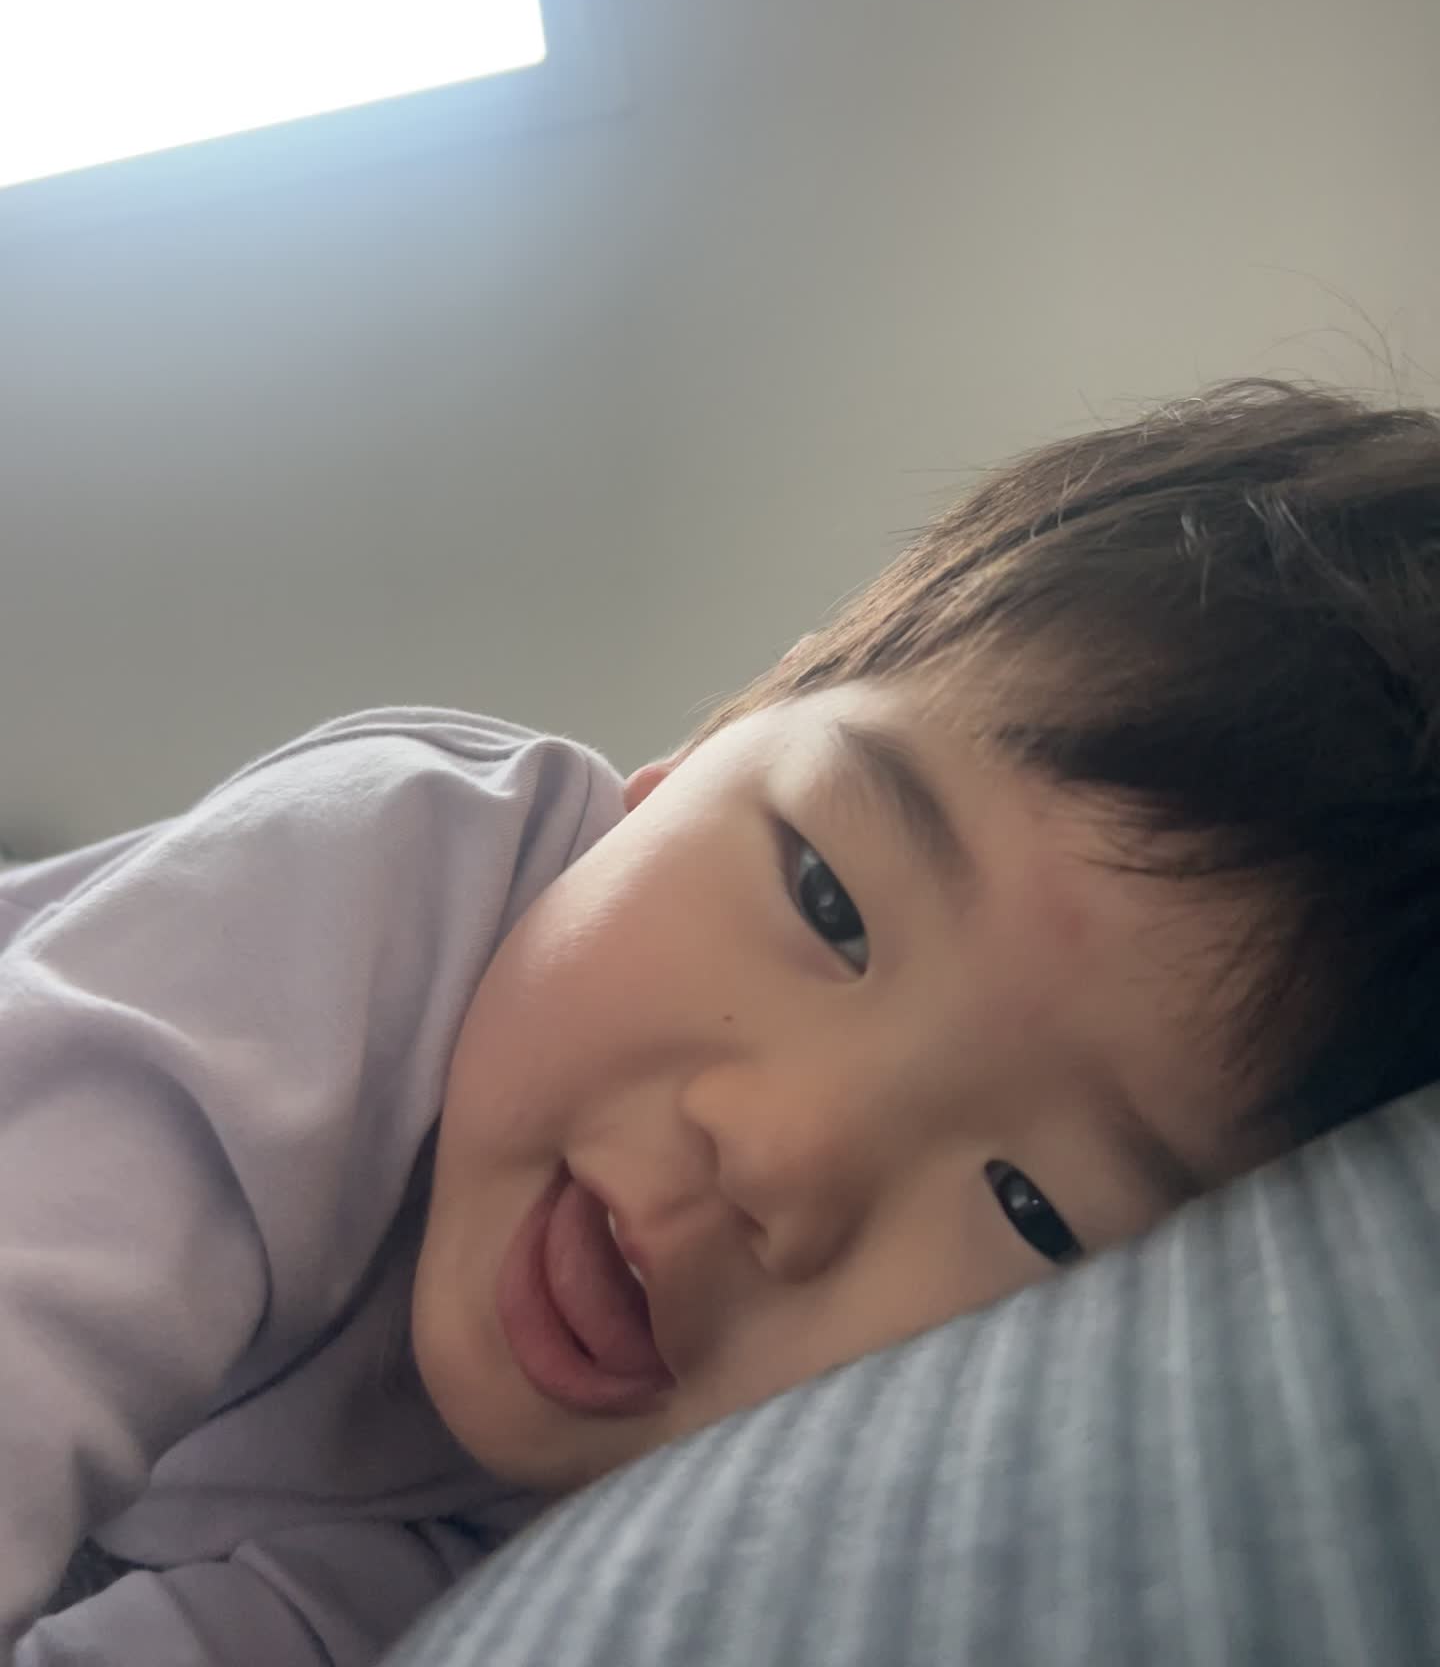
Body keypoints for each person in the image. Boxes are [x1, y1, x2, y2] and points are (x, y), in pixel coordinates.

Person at [5, 376, 1439, 1665]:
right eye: (830, 901)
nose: (782, 1152)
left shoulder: (583, 1542)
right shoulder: (395, 869)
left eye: (1035, 1208)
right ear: (698, 750)